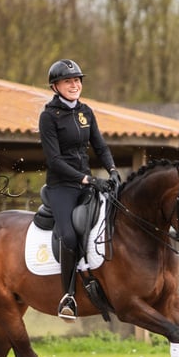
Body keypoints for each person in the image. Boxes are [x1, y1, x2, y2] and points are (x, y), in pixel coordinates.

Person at [39, 59, 121, 321]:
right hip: (62, 187)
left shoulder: (86, 111)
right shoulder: (49, 116)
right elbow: (54, 161)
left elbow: (100, 146)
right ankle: (68, 296)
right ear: (56, 86)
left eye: (77, 80)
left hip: (87, 182)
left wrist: (112, 170)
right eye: (68, 81)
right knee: (70, 237)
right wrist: (85, 179)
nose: (75, 85)